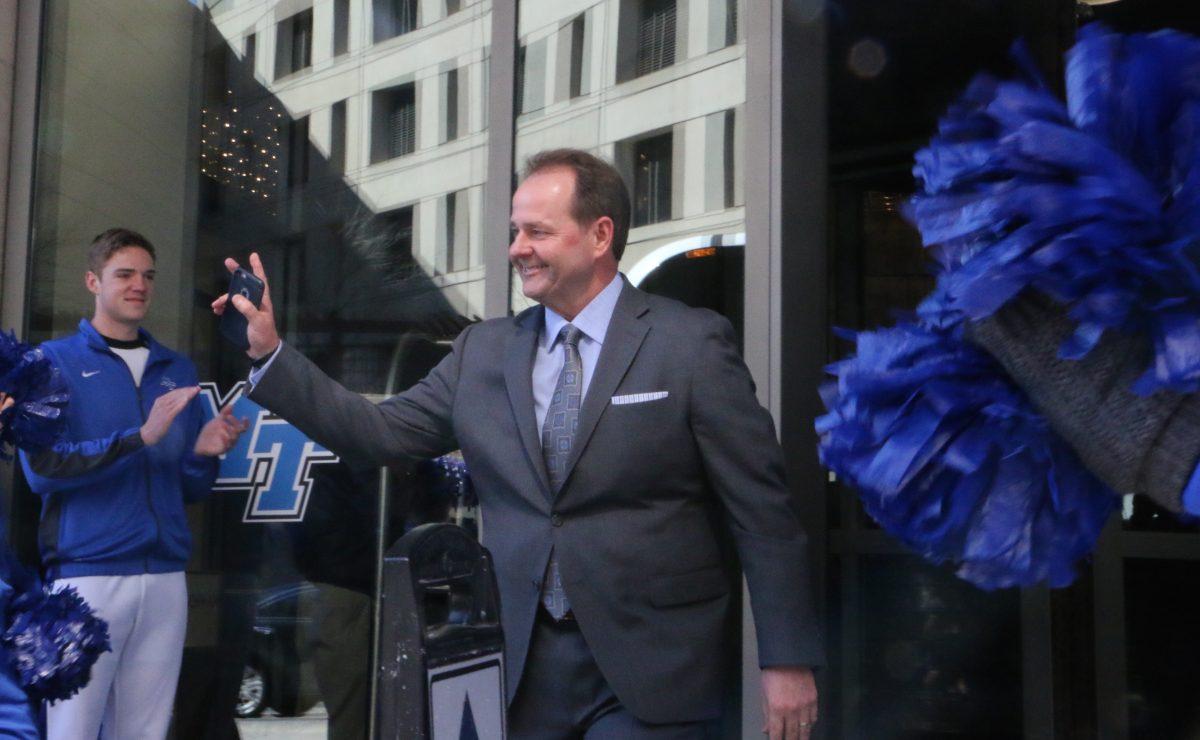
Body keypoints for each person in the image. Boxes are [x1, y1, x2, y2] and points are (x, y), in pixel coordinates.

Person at [214, 149, 823, 739]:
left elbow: (762, 512)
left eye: (537, 231)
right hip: (523, 670)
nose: (516, 249)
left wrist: (786, 659)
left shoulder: (688, 343)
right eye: (514, 231)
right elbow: (379, 433)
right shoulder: (483, 351)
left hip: (654, 666)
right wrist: (271, 354)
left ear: (599, 234)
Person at [19, 228, 247, 740]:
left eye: (147, 276)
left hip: (166, 578)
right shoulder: (51, 364)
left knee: (146, 733)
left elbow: (188, 490)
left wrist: (202, 454)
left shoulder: (177, 369)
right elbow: (43, 470)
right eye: (124, 274)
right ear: (92, 281)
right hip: (86, 579)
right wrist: (138, 438)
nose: (138, 285)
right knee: (71, 731)